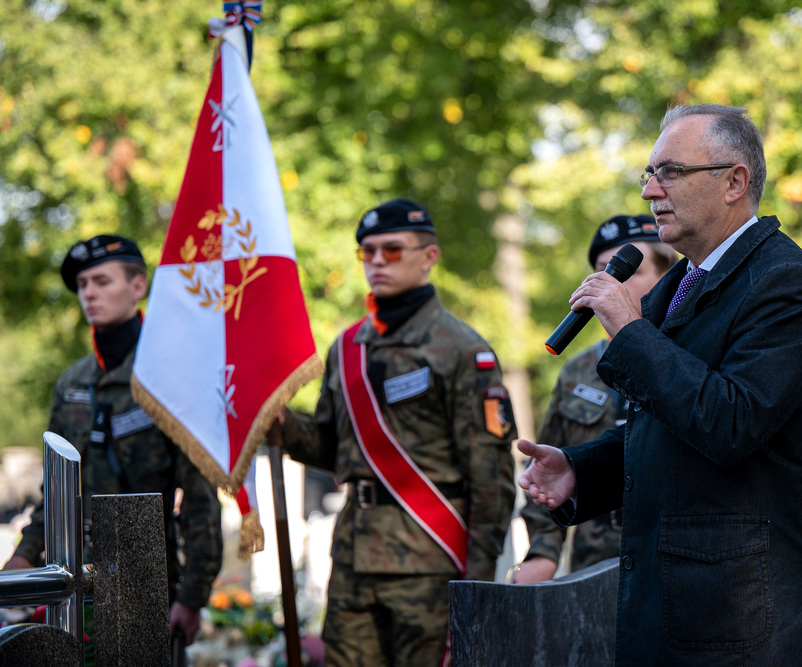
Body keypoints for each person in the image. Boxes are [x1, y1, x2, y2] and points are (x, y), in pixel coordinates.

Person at [518, 104, 802, 665]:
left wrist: (628, 328)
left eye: (669, 172)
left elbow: (731, 422)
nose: (649, 191)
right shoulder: (683, 283)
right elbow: (667, 430)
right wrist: (582, 470)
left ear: (733, 182)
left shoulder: (784, 283)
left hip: (741, 624)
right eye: (648, 174)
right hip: (671, 613)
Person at [275, 198, 516, 666]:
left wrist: (478, 583)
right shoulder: (346, 348)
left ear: (429, 257)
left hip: (430, 560)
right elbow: (330, 447)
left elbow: (490, 476)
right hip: (353, 558)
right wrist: (283, 426)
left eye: (392, 250)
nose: (377, 262)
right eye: (367, 252)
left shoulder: (462, 350)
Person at [2, 235, 223, 647]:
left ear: (137, 287)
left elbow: (199, 497)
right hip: (70, 578)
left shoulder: (168, 376)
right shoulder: (73, 382)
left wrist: (192, 596)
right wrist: (26, 553)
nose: (89, 293)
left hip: (144, 581)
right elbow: (55, 490)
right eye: (83, 284)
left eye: (102, 281)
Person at [513, 214, 677, 584]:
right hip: (592, 568)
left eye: (627, 271)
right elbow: (544, 465)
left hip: (671, 561)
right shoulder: (577, 370)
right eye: (602, 272)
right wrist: (542, 552)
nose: (610, 284)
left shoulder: (684, 359)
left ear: (667, 278)